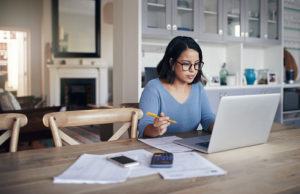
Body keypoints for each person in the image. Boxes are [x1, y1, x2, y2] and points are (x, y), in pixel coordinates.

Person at [138, 36, 215, 138]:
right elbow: (144, 127)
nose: (193, 70)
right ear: (172, 63)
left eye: (197, 64)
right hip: (159, 150)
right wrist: (155, 129)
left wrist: (218, 126)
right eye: (186, 64)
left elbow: (207, 119)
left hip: (190, 148)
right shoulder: (154, 88)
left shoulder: (198, 87)